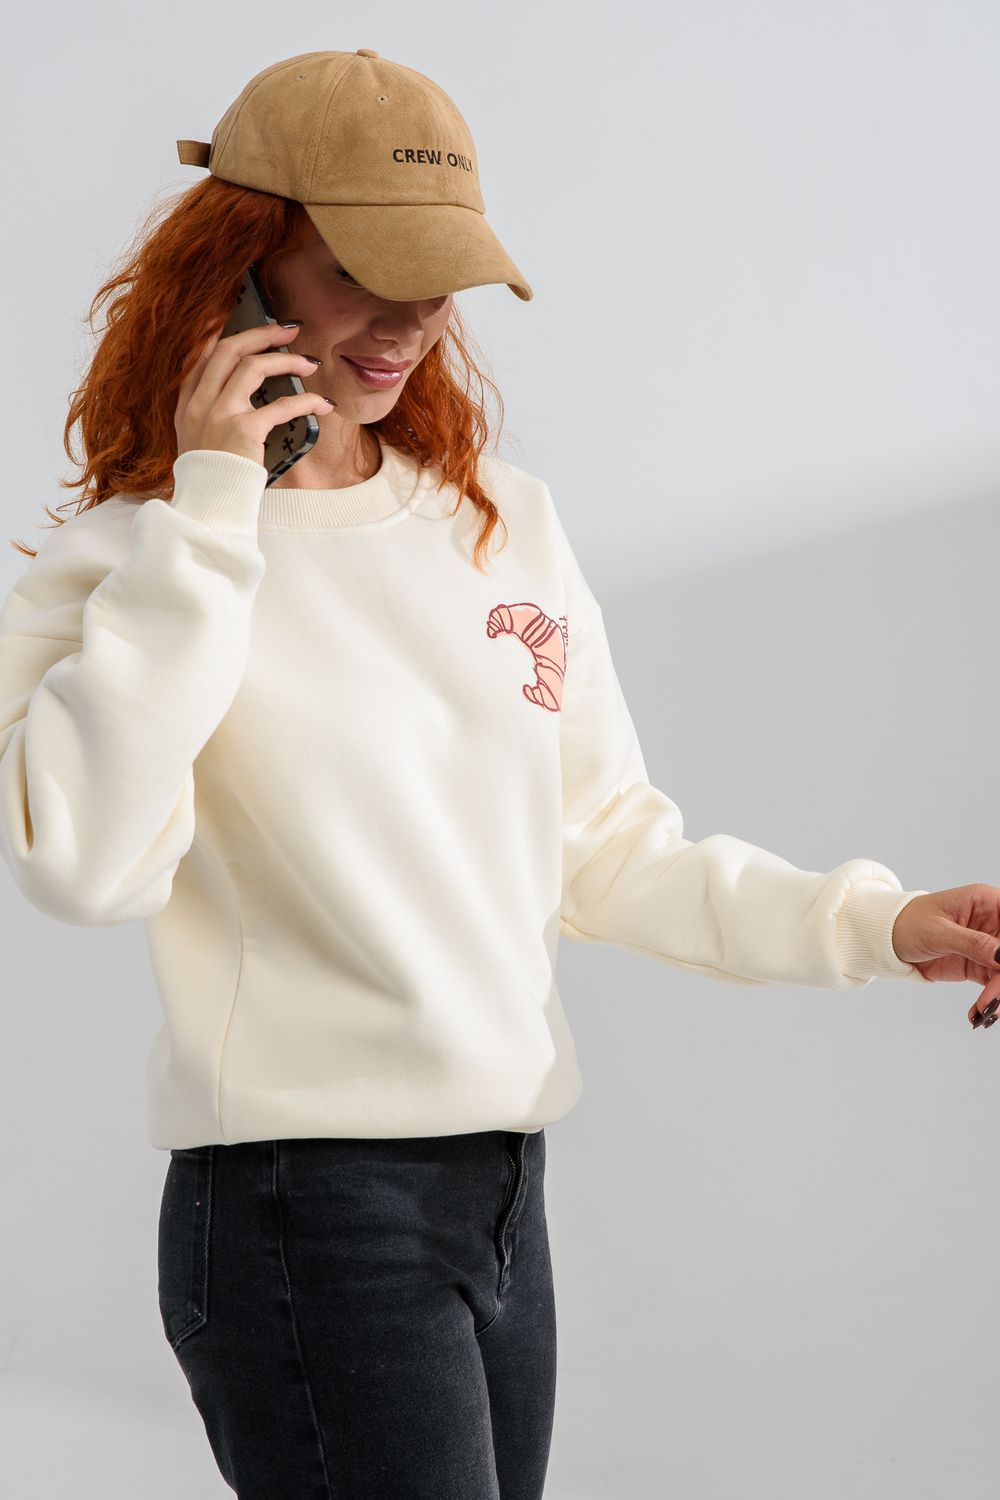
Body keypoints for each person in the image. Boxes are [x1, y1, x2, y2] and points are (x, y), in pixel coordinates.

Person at [1, 46, 999, 1500]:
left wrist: (879, 924)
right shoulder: (130, 568)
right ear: (243, 265)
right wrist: (212, 513)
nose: (411, 320)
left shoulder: (497, 523)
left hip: (506, 1197)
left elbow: (605, 845)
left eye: (438, 277)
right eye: (365, 270)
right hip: (304, 1212)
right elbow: (86, 868)